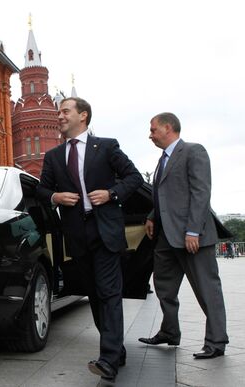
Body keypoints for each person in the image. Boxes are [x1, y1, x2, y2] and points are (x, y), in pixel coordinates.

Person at [37, 97, 143, 382]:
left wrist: (112, 193)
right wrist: (56, 197)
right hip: (77, 234)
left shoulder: (107, 146)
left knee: (109, 293)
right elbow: (42, 190)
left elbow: (133, 177)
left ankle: (107, 358)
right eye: (59, 111)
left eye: (64, 111)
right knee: (95, 294)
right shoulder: (54, 156)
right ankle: (116, 349)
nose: (59, 115)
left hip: (105, 230)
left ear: (82, 116)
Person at [138, 112, 228, 359]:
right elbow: (166, 195)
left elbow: (201, 192)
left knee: (207, 290)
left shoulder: (193, 151)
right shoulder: (162, 160)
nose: (150, 135)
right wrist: (152, 215)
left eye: (153, 130)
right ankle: (169, 332)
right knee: (164, 287)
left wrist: (192, 231)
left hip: (192, 236)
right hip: (167, 237)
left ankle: (216, 342)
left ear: (168, 128)